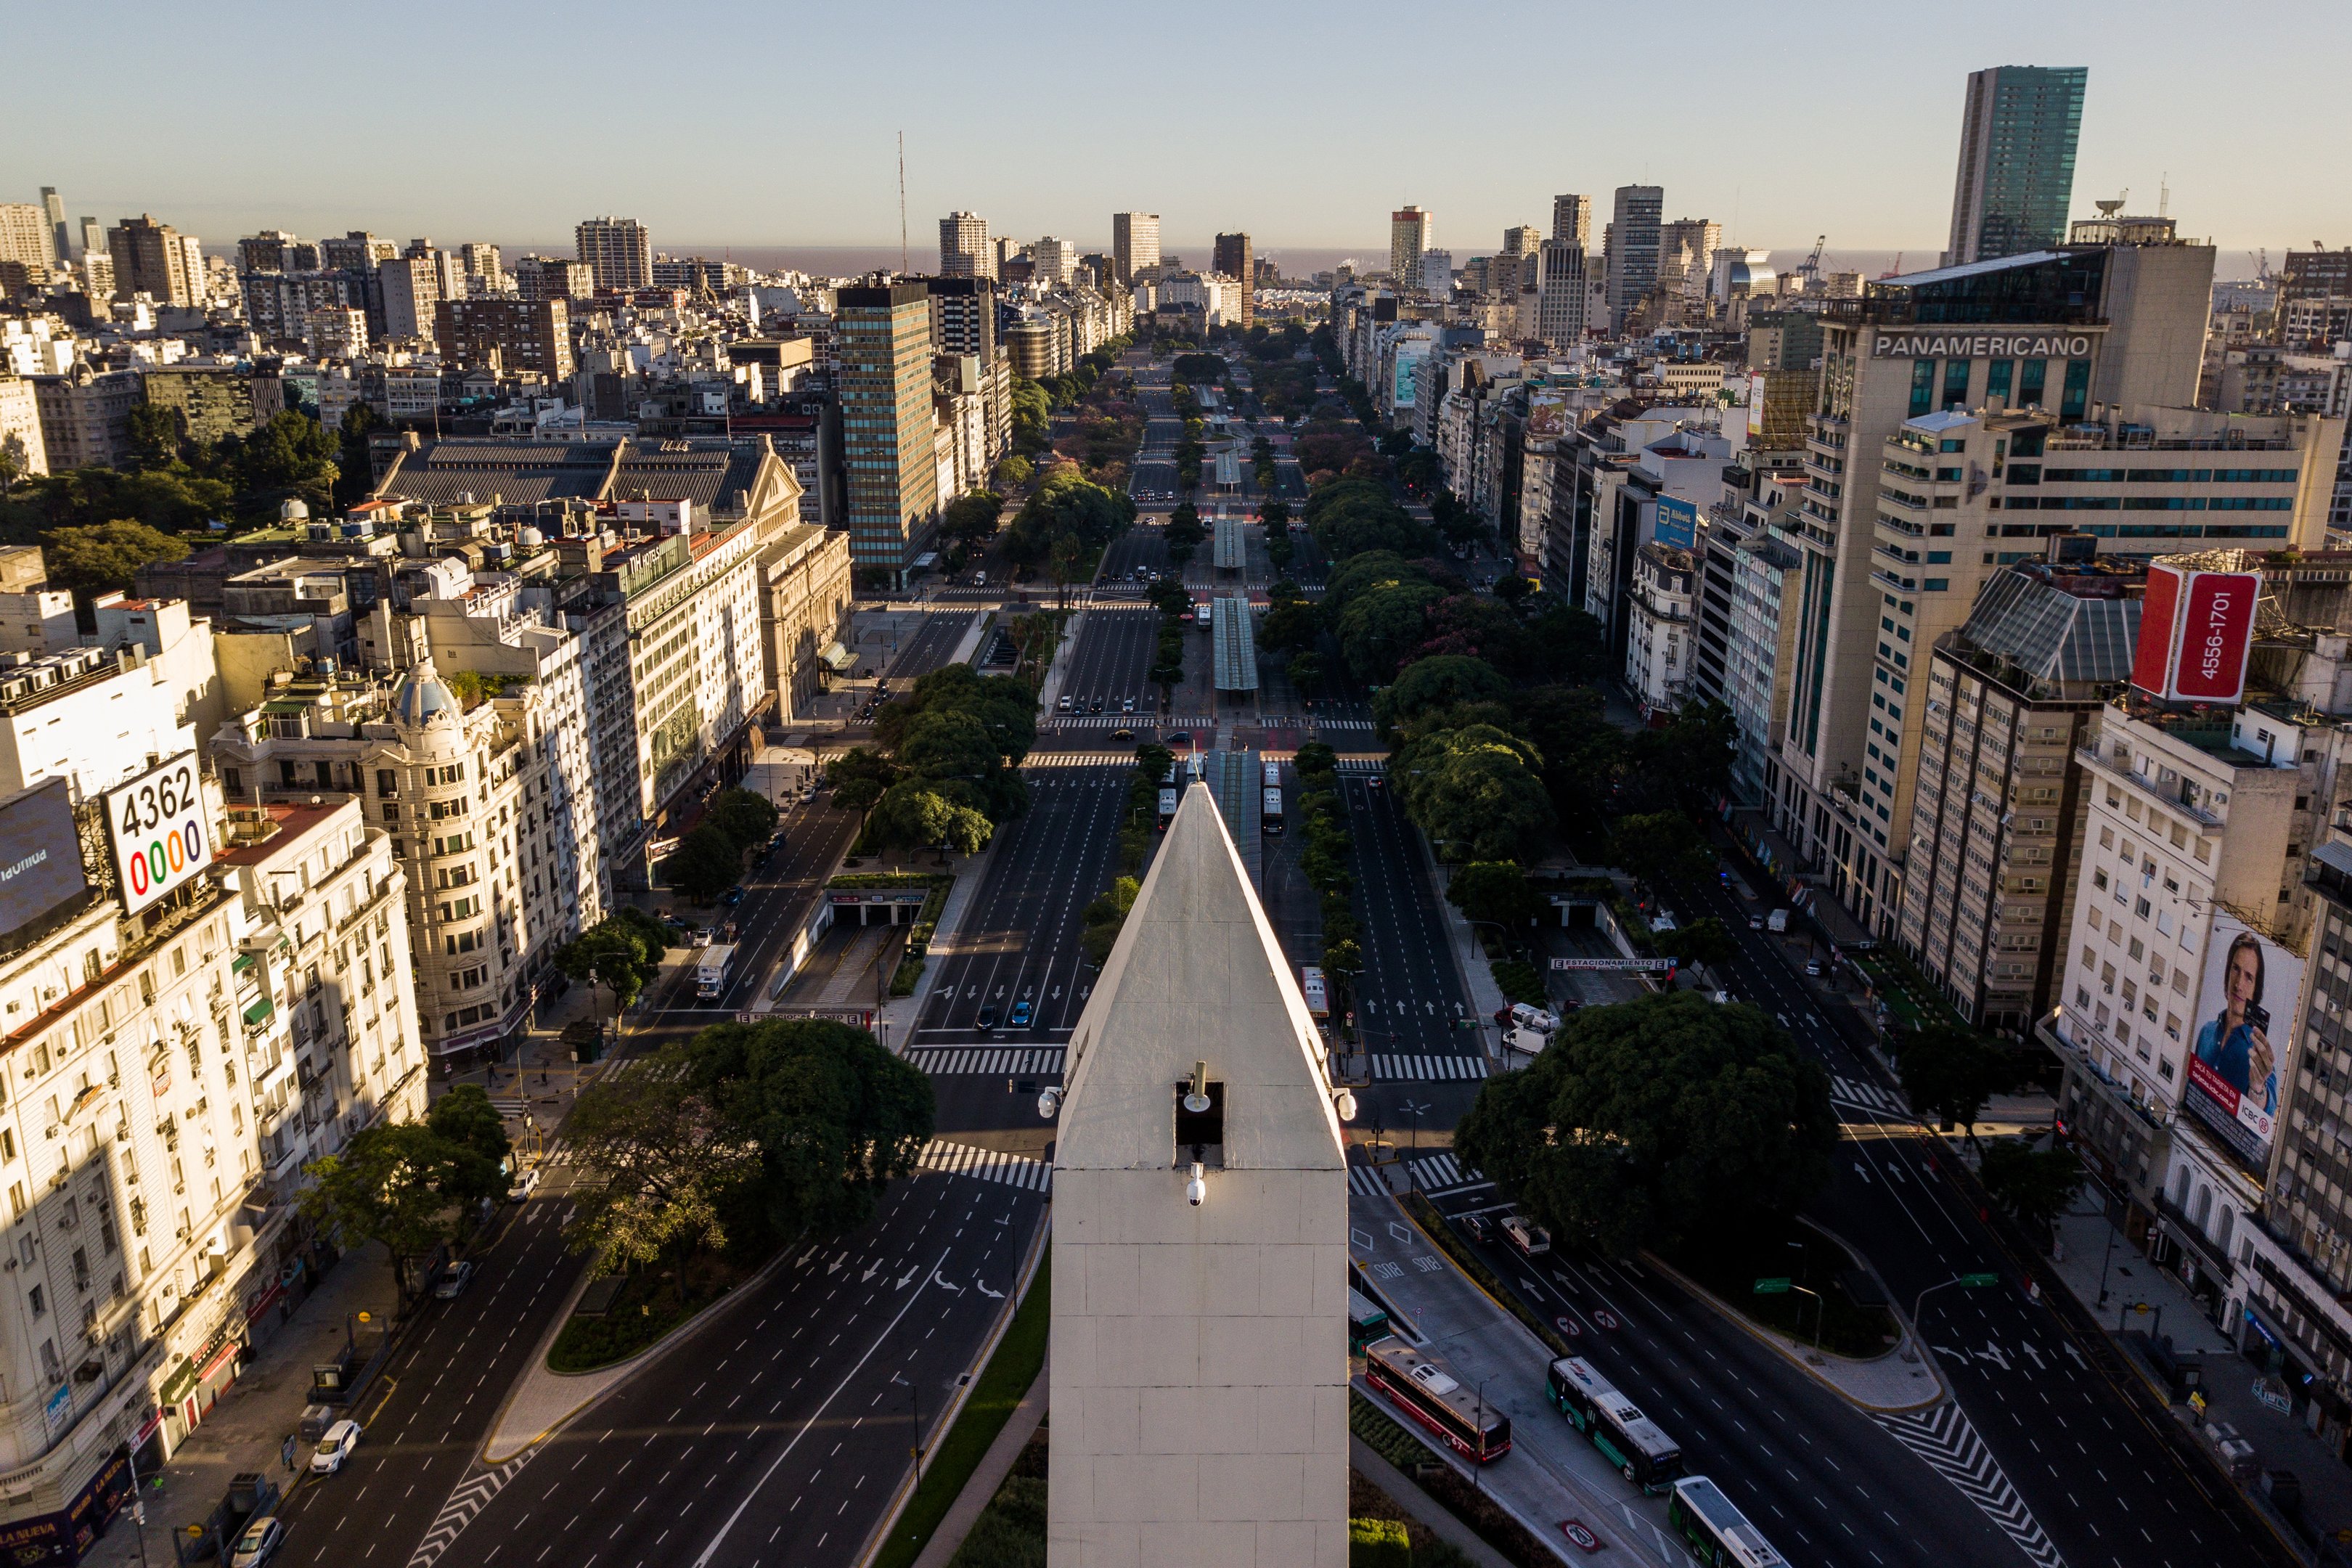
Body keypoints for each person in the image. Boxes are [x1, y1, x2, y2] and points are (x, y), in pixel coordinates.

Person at [2194, 932, 2277, 1115]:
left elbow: (2267, 1110)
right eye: (2236, 969)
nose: (2239, 984)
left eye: (2249, 977)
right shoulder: (2206, 1032)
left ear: (2256, 990)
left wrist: (2258, 1088)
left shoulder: (2258, 1056)